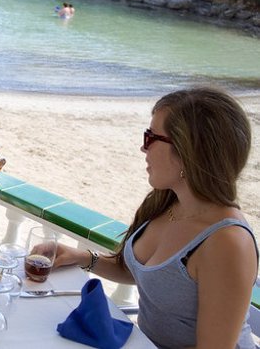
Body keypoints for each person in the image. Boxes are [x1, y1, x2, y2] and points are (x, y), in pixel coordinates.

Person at [53, 87, 258, 348]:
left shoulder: (227, 243)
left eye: (151, 137)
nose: (143, 147)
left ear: (187, 152)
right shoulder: (168, 202)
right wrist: (82, 257)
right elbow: (142, 273)